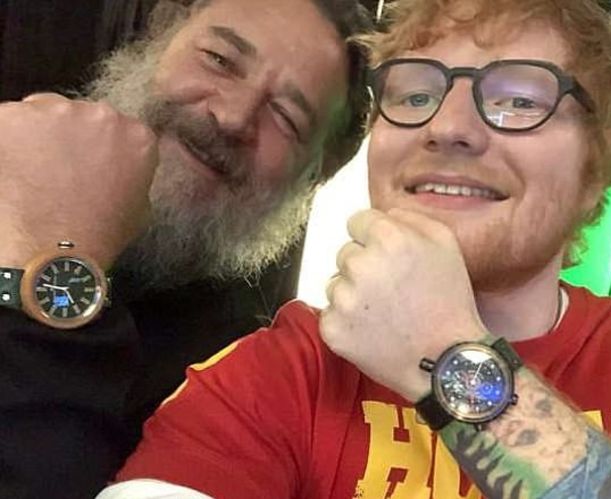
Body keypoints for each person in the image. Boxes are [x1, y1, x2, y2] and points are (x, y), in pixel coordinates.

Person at [99, 0, 611, 497]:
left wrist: (449, 359)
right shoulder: (274, 374)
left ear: (596, 171)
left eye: (519, 101)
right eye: (417, 95)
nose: (446, 127)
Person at [0, 0, 370, 497]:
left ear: (315, 176)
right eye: (219, 60)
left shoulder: (240, 389)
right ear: (159, 35)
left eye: (286, 117)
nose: (232, 117)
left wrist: (58, 262)